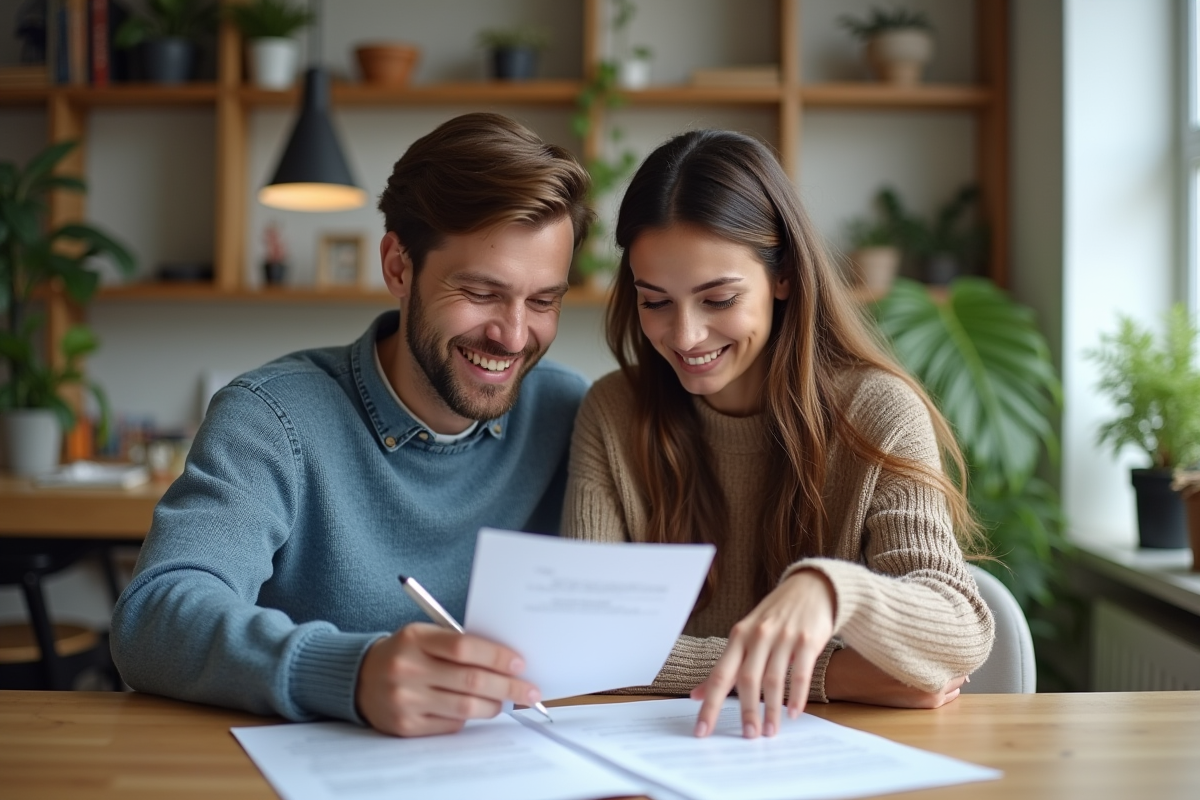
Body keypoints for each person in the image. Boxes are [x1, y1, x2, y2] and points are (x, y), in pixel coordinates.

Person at [112, 112, 594, 738]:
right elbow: (153, 617)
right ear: (398, 265)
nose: (513, 334)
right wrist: (349, 671)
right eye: (480, 292)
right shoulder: (273, 418)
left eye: (544, 301)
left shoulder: (571, 413)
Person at [562, 129, 995, 740]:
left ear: (784, 275)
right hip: (668, 756)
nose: (684, 336)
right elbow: (581, 639)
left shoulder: (878, 413)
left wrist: (829, 589)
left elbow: (959, 630)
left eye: (718, 299)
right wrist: (832, 674)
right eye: (655, 302)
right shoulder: (614, 412)